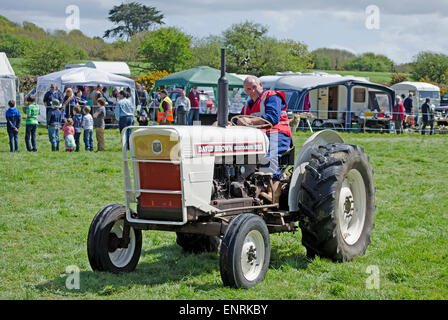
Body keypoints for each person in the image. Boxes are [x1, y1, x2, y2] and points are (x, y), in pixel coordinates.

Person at [236, 75, 293, 203]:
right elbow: (239, 119)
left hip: (277, 133)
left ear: (260, 85)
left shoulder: (272, 96)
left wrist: (249, 121)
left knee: (268, 155)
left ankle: (273, 195)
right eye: (248, 89)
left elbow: (273, 118)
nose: (252, 91)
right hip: (259, 137)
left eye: (254, 87)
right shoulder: (247, 106)